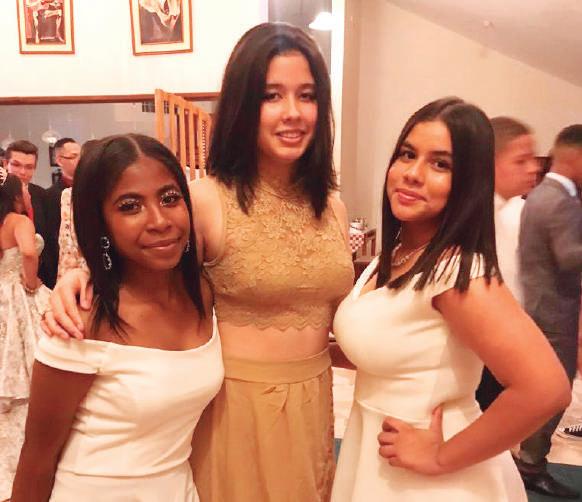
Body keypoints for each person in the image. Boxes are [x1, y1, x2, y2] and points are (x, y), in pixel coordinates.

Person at [42, 23, 354, 502]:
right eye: (272, 95)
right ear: (243, 106)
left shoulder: (332, 206)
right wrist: (80, 277)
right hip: (236, 411)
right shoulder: (206, 200)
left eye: (307, 95)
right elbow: (145, 262)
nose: (293, 112)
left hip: (315, 404)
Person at [331, 97, 571, 502]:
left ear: (468, 182)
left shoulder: (455, 272)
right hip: (378, 450)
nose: (412, 174)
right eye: (408, 154)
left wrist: (440, 458)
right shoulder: (400, 252)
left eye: (440, 164)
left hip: (433, 477)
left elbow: (546, 388)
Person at [11, 134, 224, 501]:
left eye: (170, 198)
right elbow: (36, 461)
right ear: (101, 222)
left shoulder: (202, 293)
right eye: (130, 206)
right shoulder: (82, 317)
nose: (159, 220)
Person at [514, 124, 582, 499]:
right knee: (555, 392)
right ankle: (531, 465)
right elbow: (571, 259)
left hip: (541, 305)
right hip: (554, 311)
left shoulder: (540, 194)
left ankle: (528, 459)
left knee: (549, 389)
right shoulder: (560, 201)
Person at [476, 117, 539, 411]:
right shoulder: (472, 217)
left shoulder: (518, 210)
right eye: (521, 161)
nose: (534, 168)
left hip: (509, 339)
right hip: (480, 346)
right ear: (490, 162)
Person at [0, 169, 50, 502]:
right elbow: (29, 253)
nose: (30, 194)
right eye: (26, 189)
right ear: (16, 195)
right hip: (20, 297)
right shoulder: (18, 221)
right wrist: (32, 283)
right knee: (34, 371)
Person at [3, 140, 51, 286]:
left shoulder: (43, 196)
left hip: (42, 277)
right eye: (16, 165)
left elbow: (51, 239)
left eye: (29, 167)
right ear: (5, 164)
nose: (22, 172)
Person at [43, 137, 81, 288]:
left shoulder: (92, 189)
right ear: (59, 160)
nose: (80, 160)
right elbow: (51, 238)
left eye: (81, 155)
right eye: (73, 156)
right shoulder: (50, 195)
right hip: (64, 266)